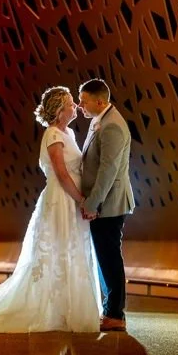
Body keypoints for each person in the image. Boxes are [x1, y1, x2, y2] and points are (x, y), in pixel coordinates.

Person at [0, 86, 101, 333]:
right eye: (69, 103)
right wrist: (81, 199)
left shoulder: (70, 134)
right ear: (58, 110)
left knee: (72, 249)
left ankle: (70, 308)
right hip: (61, 200)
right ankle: (53, 310)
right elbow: (62, 175)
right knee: (58, 250)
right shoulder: (53, 135)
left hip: (72, 201)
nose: (74, 105)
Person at [78, 78, 135, 332]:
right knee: (104, 256)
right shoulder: (100, 119)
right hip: (103, 203)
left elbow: (107, 171)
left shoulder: (112, 126)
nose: (80, 105)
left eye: (84, 100)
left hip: (108, 204)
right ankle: (110, 310)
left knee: (109, 257)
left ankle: (115, 314)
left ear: (99, 101)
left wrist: (92, 203)